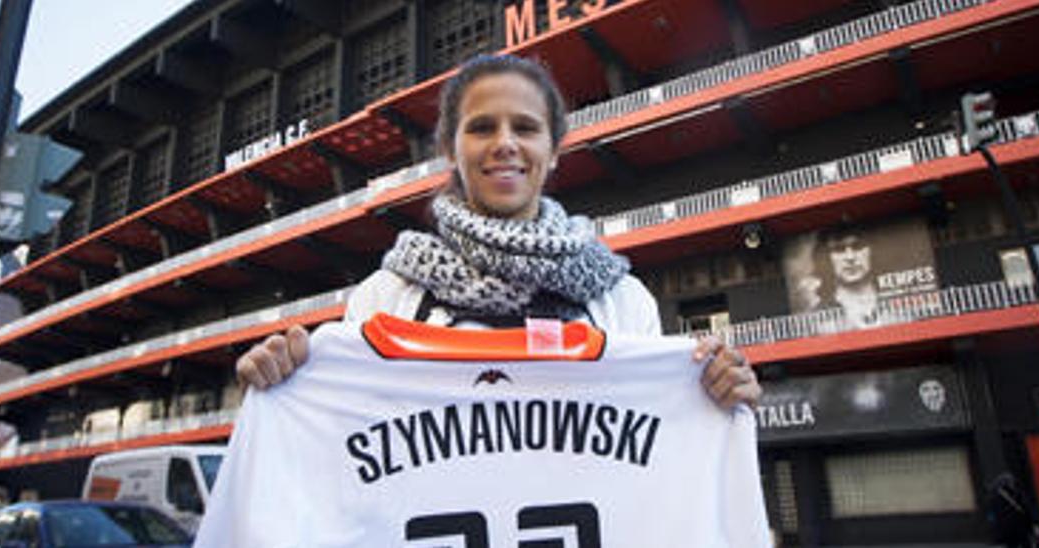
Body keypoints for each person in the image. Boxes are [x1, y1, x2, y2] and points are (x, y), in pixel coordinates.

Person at [235, 54, 760, 409]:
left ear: (553, 152)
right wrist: (283, 384)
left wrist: (714, 397)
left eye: (526, 128)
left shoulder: (623, 302)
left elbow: (658, 444)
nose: (505, 143)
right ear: (450, 149)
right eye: (482, 127)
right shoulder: (384, 297)